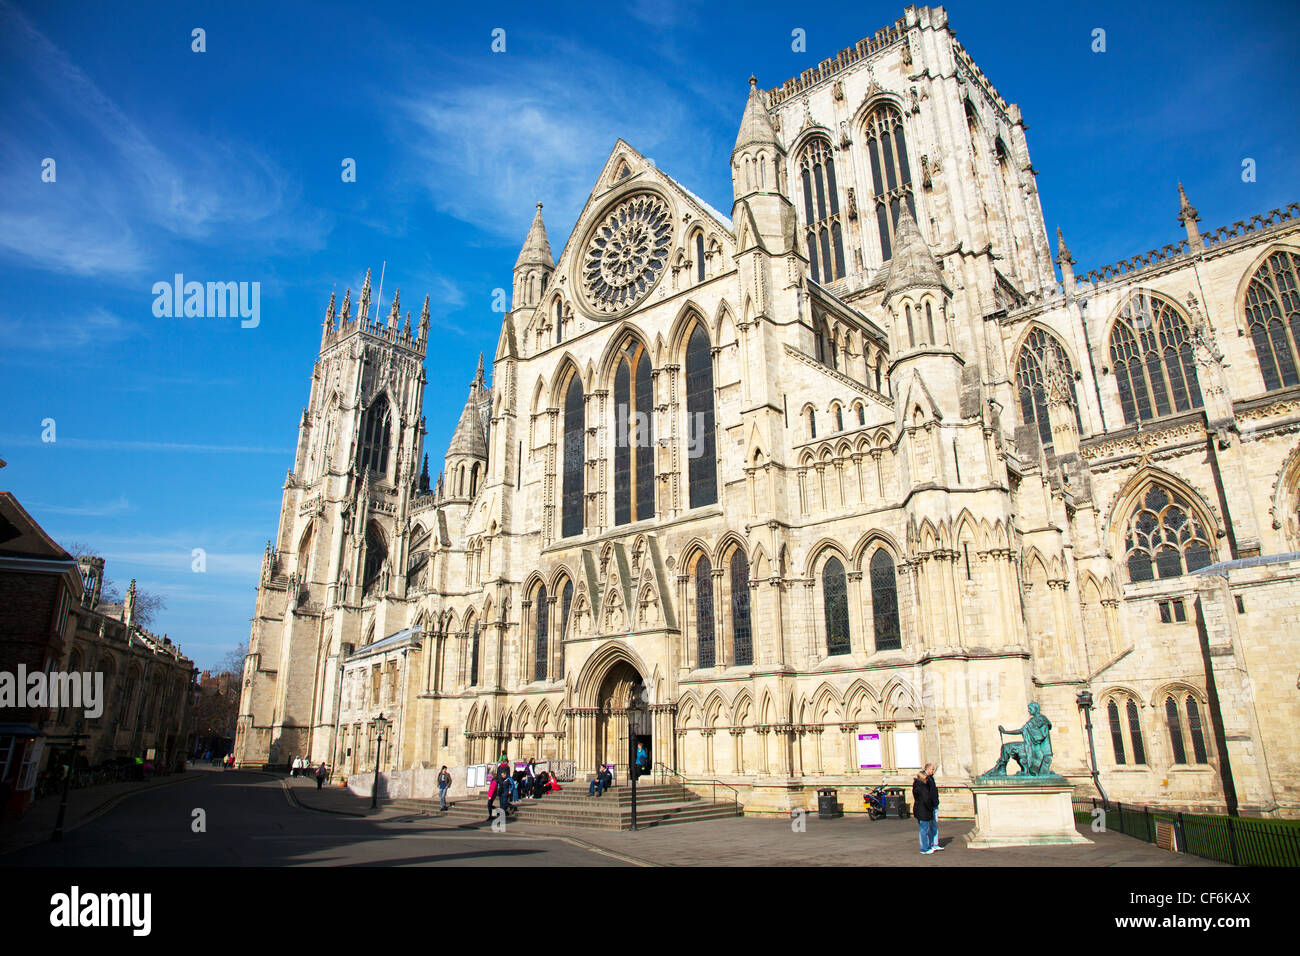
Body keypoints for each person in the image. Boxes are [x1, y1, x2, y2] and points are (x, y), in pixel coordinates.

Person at [912, 765, 938, 854]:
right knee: (924, 829)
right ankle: (924, 848)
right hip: (924, 810)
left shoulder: (916, 785)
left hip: (919, 810)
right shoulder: (922, 787)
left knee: (924, 829)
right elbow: (926, 799)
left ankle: (927, 846)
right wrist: (930, 807)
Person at [924, 762, 942, 851]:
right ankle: (929, 844)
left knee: (934, 825)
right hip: (929, 806)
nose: (933, 771)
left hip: (934, 804)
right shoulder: (925, 779)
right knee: (928, 826)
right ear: (927, 769)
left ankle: (935, 844)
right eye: (932, 769)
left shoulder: (931, 778)